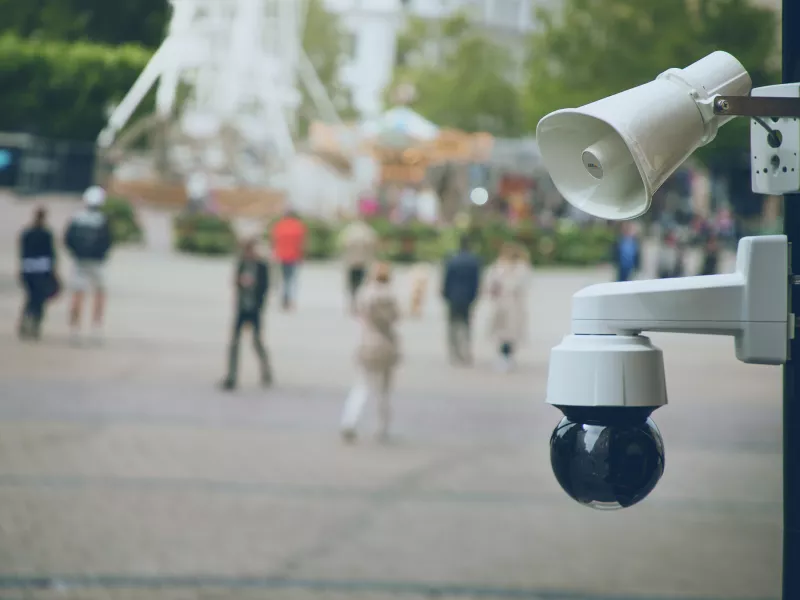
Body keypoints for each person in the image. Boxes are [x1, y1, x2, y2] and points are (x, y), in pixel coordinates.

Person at [340, 262, 401, 443]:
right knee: (384, 389)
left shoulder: (365, 294)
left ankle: (349, 420)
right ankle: (382, 426)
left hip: (367, 343)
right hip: (387, 344)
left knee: (361, 385)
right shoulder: (391, 296)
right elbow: (397, 317)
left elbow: (356, 313)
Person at [221, 238, 273, 390]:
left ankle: (266, 371)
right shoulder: (242, 264)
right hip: (242, 308)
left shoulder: (262, 266)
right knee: (234, 342)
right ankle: (231, 376)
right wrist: (240, 282)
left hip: (255, 310)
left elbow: (265, 288)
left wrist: (259, 306)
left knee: (257, 342)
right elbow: (235, 282)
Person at [64, 186, 113, 344]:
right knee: (100, 293)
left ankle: (74, 328)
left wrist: (76, 253)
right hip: (97, 262)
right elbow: (108, 241)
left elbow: (68, 239)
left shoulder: (77, 218)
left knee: (78, 294)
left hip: (79, 261)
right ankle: (96, 327)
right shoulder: (102, 220)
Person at [485, 243, 531, 373]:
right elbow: (490, 283)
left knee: (511, 333)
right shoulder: (498, 266)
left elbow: (521, 285)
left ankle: (508, 356)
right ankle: (503, 356)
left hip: (513, 305)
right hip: (501, 305)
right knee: (501, 333)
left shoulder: (521, 268)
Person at [18, 207, 59, 340]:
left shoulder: (27, 233)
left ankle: (26, 318)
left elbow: (22, 253)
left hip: (28, 268)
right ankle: (35, 323)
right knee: (40, 299)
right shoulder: (46, 234)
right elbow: (51, 254)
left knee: (31, 296)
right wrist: (54, 272)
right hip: (42, 269)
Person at [442, 236, 481, 365]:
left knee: (453, 325)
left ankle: (455, 352)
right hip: (467, 297)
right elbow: (476, 282)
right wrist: (474, 297)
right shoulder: (474, 261)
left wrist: (445, 294)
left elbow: (446, 279)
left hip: (453, 296)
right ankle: (466, 351)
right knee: (466, 325)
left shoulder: (452, 260)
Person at [338, 217, 378, 314]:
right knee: (362, 285)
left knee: (353, 285)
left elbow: (343, 243)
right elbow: (373, 246)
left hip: (352, 262)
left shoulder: (350, 230)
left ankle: (354, 304)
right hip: (362, 263)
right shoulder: (368, 231)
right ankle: (359, 304)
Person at [271, 210, 307, 311]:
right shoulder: (298, 226)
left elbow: (274, 241)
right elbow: (302, 243)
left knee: (283, 279)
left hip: (281, 256)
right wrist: (302, 256)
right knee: (292, 280)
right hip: (294, 256)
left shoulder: (279, 226)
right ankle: (290, 300)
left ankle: (284, 299)